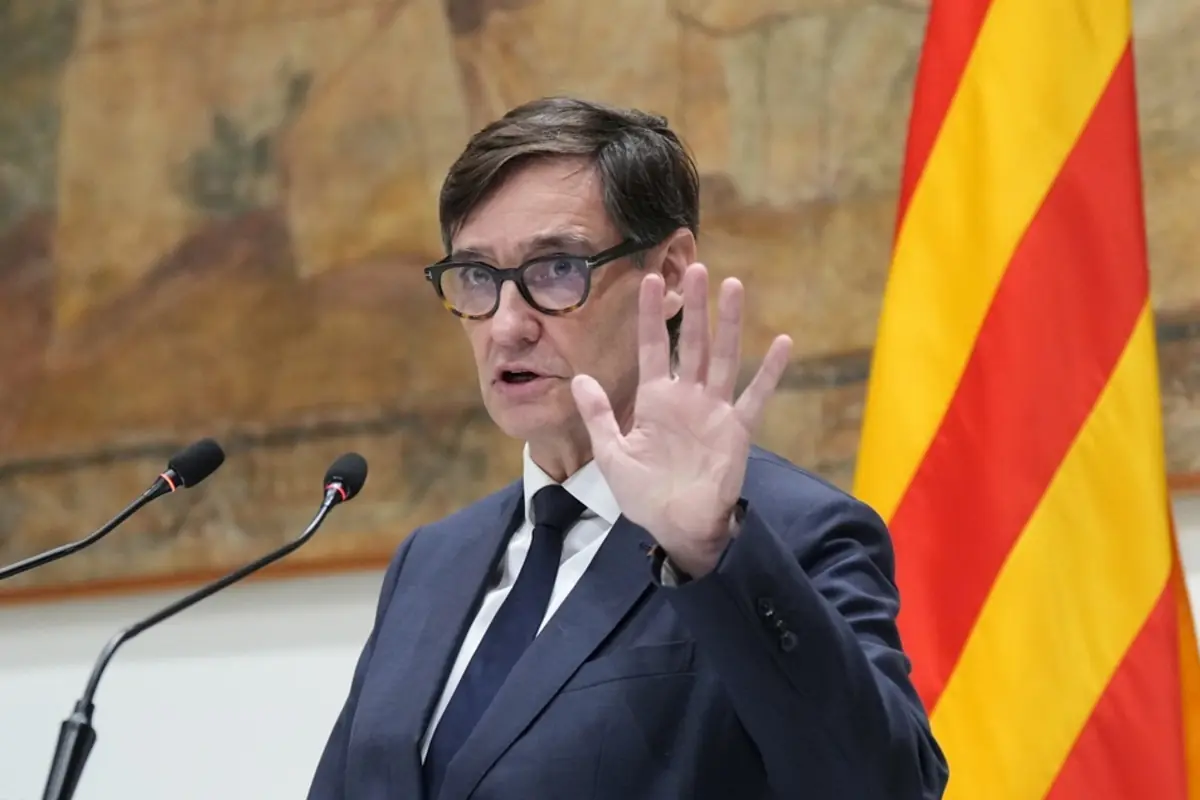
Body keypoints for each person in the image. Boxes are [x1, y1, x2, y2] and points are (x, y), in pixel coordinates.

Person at [306, 96, 949, 800]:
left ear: (670, 274)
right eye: (479, 278)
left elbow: (886, 787)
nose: (506, 326)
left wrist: (710, 557)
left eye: (554, 269)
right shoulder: (431, 561)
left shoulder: (788, 533)